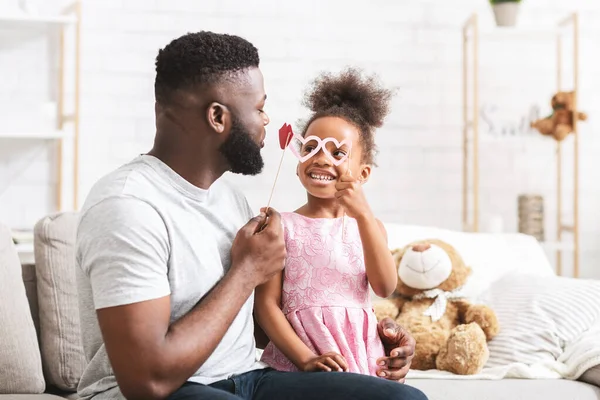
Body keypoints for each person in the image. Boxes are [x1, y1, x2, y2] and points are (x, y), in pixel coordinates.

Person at [74, 30, 427, 400]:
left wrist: (375, 336)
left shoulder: (232, 202)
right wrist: (246, 271)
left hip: (247, 379)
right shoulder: (128, 206)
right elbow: (147, 382)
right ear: (217, 117)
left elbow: (252, 325)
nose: (267, 120)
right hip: (166, 391)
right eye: (259, 108)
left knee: (404, 399)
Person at [256, 68, 399, 377]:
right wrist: (304, 358)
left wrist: (362, 215)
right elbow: (266, 305)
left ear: (362, 174)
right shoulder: (281, 225)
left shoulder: (371, 228)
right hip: (298, 359)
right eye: (311, 148)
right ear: (297, 164)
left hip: (361, 356)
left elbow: (385, 287)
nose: (321, 159)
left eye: (338, 152)